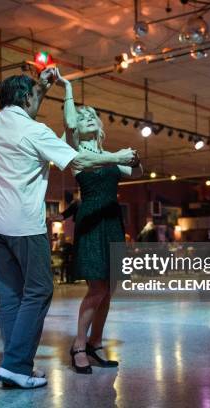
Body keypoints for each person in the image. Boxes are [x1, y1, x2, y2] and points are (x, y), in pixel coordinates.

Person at [0, 68, 137, 389]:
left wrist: (43, 85)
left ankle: (13, 364)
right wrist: (117, 155)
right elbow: (78, 161)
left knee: (10, 298)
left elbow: (25, 103)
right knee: (39, 291)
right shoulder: (36, 131)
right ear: (26, 98)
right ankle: (17, 365)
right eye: (35, 96)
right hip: (23, 225)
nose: (38, 100)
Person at [57, 68, 142, 374]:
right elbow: (69, 123)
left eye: (93, 115)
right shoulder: (73, 149)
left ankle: (95, 343)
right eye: (84, 116)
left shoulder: (110, 154)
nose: (88, 118)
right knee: (96, 288)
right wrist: (67, 88)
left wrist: (133, 159)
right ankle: (78, 345)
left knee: (109, 289)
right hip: (91, 222)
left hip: (112, 223)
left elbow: (136, 172)